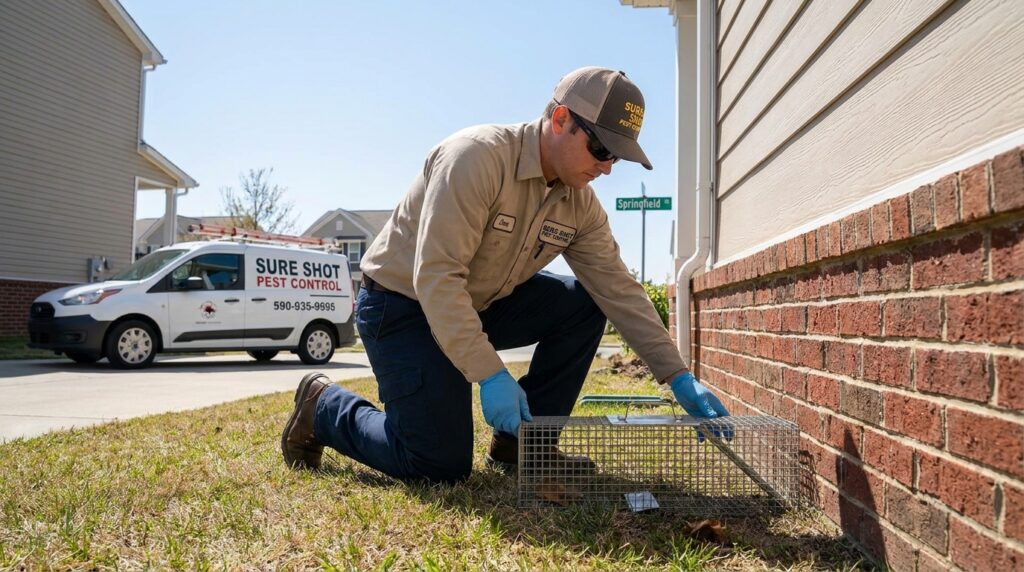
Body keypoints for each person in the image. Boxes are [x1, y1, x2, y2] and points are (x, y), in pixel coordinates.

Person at [281, 67, 730, 483]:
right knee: (438, 463)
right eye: (601, 148)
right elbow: (437, 278)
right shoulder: (475, 158)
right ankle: (322, 407)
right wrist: (490, 373)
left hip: (478, 304)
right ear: (559, 119)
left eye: (617, 156)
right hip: (403, 307)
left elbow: (619, 291)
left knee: (586, 302)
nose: (608, 166)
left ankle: (524, 446)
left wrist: (677, 376)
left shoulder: (580, 205)